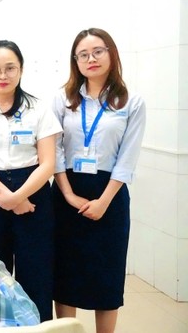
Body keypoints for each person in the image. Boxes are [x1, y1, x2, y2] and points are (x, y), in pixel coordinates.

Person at [52, 28, 145, 333]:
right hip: (66, 192)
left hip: (110, 196)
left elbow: (127, 157)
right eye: (83, 54)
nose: (90, 59)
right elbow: (55, 151)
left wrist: (104, 202)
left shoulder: (131, 102)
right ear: (75, 61)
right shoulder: (62, 100)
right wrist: (68, 194)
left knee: (107, 275)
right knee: (65, 274)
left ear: (111, 54)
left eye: (97, 51)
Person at [0, 40, 62, 321]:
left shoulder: (38, 109)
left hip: (34, 190)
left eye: (10, 68)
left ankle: (39, 326)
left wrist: (18, 197)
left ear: (21, 70)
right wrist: (8, 197)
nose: (2, 75)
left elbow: (48, 163)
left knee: (36, 269)